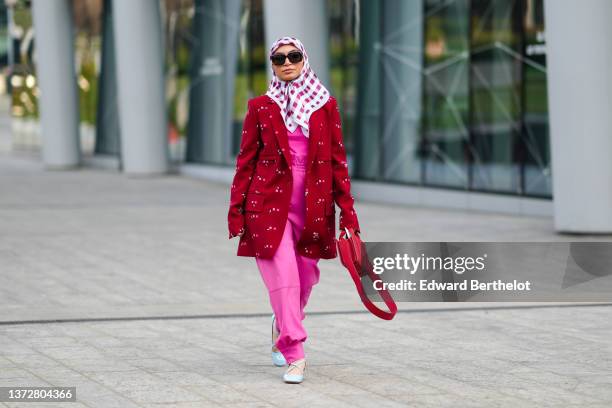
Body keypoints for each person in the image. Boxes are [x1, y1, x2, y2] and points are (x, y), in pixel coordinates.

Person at [227, 36, 360, 384]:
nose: (287, 62)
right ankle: (296, 353)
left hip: (313, 205)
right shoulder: (260, 106)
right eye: (279, 58)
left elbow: (337, 162)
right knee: (283, 278)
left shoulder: (325, 105)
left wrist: (348, 212)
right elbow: (245, 162)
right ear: (272, 65)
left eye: (294, 56)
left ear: (304, 59)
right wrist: (236, 211)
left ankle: (282, 324)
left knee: (304, 279)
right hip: (268, 206)